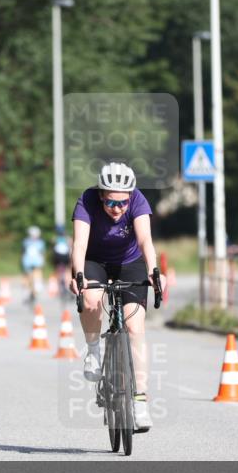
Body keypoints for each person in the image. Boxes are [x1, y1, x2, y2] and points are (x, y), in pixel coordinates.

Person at [69, 162, 161, 432]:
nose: (117, 209)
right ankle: (94, 350)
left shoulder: (138, 201)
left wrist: (154, 271)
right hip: (94, 260)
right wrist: (78, 275)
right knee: (91, 299)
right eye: (111, 203)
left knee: (135, 328)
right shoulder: (86, 200)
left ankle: (140, 401)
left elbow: (145, 240)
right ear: (101, 195)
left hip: (128, 262)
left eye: (123, 203)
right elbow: (80, 244)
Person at [21, 225, 46, 302]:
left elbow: (23, 252)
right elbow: (42, 253)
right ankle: (34, 291)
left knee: (31, 276)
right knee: (34, 276)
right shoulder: (40, 242)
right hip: (32, 261)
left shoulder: (26, 241)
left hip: (29, 261)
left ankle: (33, 291)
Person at [52, 224, 72, 289]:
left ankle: (59, 284)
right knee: (67, 270)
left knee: (58, 269)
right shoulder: (67, 238)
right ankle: (67, 285)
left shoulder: (55, 238)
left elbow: (53, 247)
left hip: (58, 255)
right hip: (65, 255)